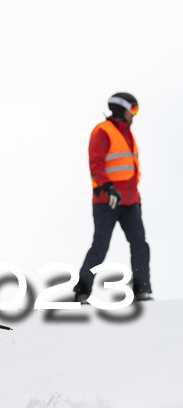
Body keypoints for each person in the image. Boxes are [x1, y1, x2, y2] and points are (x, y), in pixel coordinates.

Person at [73, 92, 152, 303]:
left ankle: (142, 290)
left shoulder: (128, 135)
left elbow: (131, 172)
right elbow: (96, 164)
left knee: (140, 244)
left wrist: (137, 199)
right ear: (121, 109)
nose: (134, 115)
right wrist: (108, 188)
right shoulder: (103, 131)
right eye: (132, 109)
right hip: (106, 201)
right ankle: (81, 292)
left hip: (129, 202)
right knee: (100, 245)